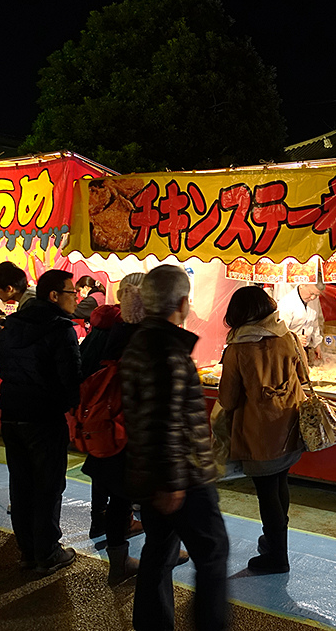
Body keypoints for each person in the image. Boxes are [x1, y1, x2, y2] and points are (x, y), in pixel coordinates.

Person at [120, 265, 228, 631]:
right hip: (183, 475)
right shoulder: (166, 350)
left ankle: (151, 624)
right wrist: (172, 481)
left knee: (160, 551)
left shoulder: (141, 341)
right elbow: (165, 420)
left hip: (150, 470)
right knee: (212, 553)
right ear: (183, 302)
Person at [0, 269, 81, 575]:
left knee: (21, 484)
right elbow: (70, 374)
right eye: (72, 293)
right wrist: (75, 404)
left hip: (11, 414)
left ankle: (27, 551)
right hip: (44, 417)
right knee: (47, 486)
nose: (77, 298)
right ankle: (47, 553)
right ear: (54, 296)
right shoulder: (61, 329)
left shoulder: (12, 325)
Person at [219, 285, 306, 575]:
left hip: (258, 432)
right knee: (279, 484)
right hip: (289, 426)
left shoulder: (236, 348)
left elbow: (228, 399)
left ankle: (277, 556)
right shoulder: (289, 338)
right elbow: (304, 376)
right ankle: (274, 543)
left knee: (267, 491)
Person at [79, 273, 145, 585]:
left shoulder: (103, 326)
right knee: (139, 493)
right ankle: (148, 557)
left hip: (103, 422)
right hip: (129, 425)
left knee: (112, 486)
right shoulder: (139, 332)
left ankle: (106, 537)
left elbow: (84, 371)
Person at [276, 282, 324, 363]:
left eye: (316, 295)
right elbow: (279, 331)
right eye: (311, 293)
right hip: (288, 350)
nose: (313, 298)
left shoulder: (314, 301)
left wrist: (317, 344)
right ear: (302, 284)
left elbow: (315, 323)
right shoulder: (286, 303)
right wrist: (295, 338)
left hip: (305, 348)